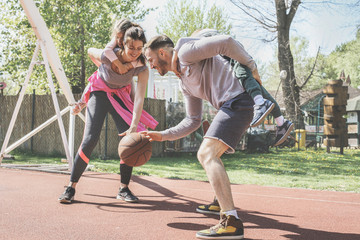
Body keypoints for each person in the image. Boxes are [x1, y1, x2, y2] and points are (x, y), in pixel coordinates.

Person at [142, 34, 256, 239]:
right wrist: (162, 135)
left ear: (161, 52)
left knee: (206, 154)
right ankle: (221, 205)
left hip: (239, 100)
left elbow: (227, 42)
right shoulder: (184, 83)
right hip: (230, 106)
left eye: (150, 59)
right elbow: (192, 120)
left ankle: (230, 221)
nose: (150, 66)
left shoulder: (186, 53)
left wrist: (252, 67)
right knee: (210, 155)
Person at [58, 25, 158, 204]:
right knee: (90, 139)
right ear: (123, 44)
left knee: (130, 139)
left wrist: (133, 126)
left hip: (120, 94)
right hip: (100, 92)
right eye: (131, 47)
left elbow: (139, 100)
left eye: (139, 48)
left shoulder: (142, 67)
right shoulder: (109, 55)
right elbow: (90, 51)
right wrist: (107, 65)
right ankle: (70, 187)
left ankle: (123, 189)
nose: (135, 52)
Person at [185, 29, 294, 147]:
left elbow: (225, 44)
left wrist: (253, 68)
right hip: (228, 50)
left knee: (241, 72)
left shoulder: (198, 43)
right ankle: (281, 122)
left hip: (230, 49)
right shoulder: (206, 46)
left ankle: (260, 103)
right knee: (255, 87)